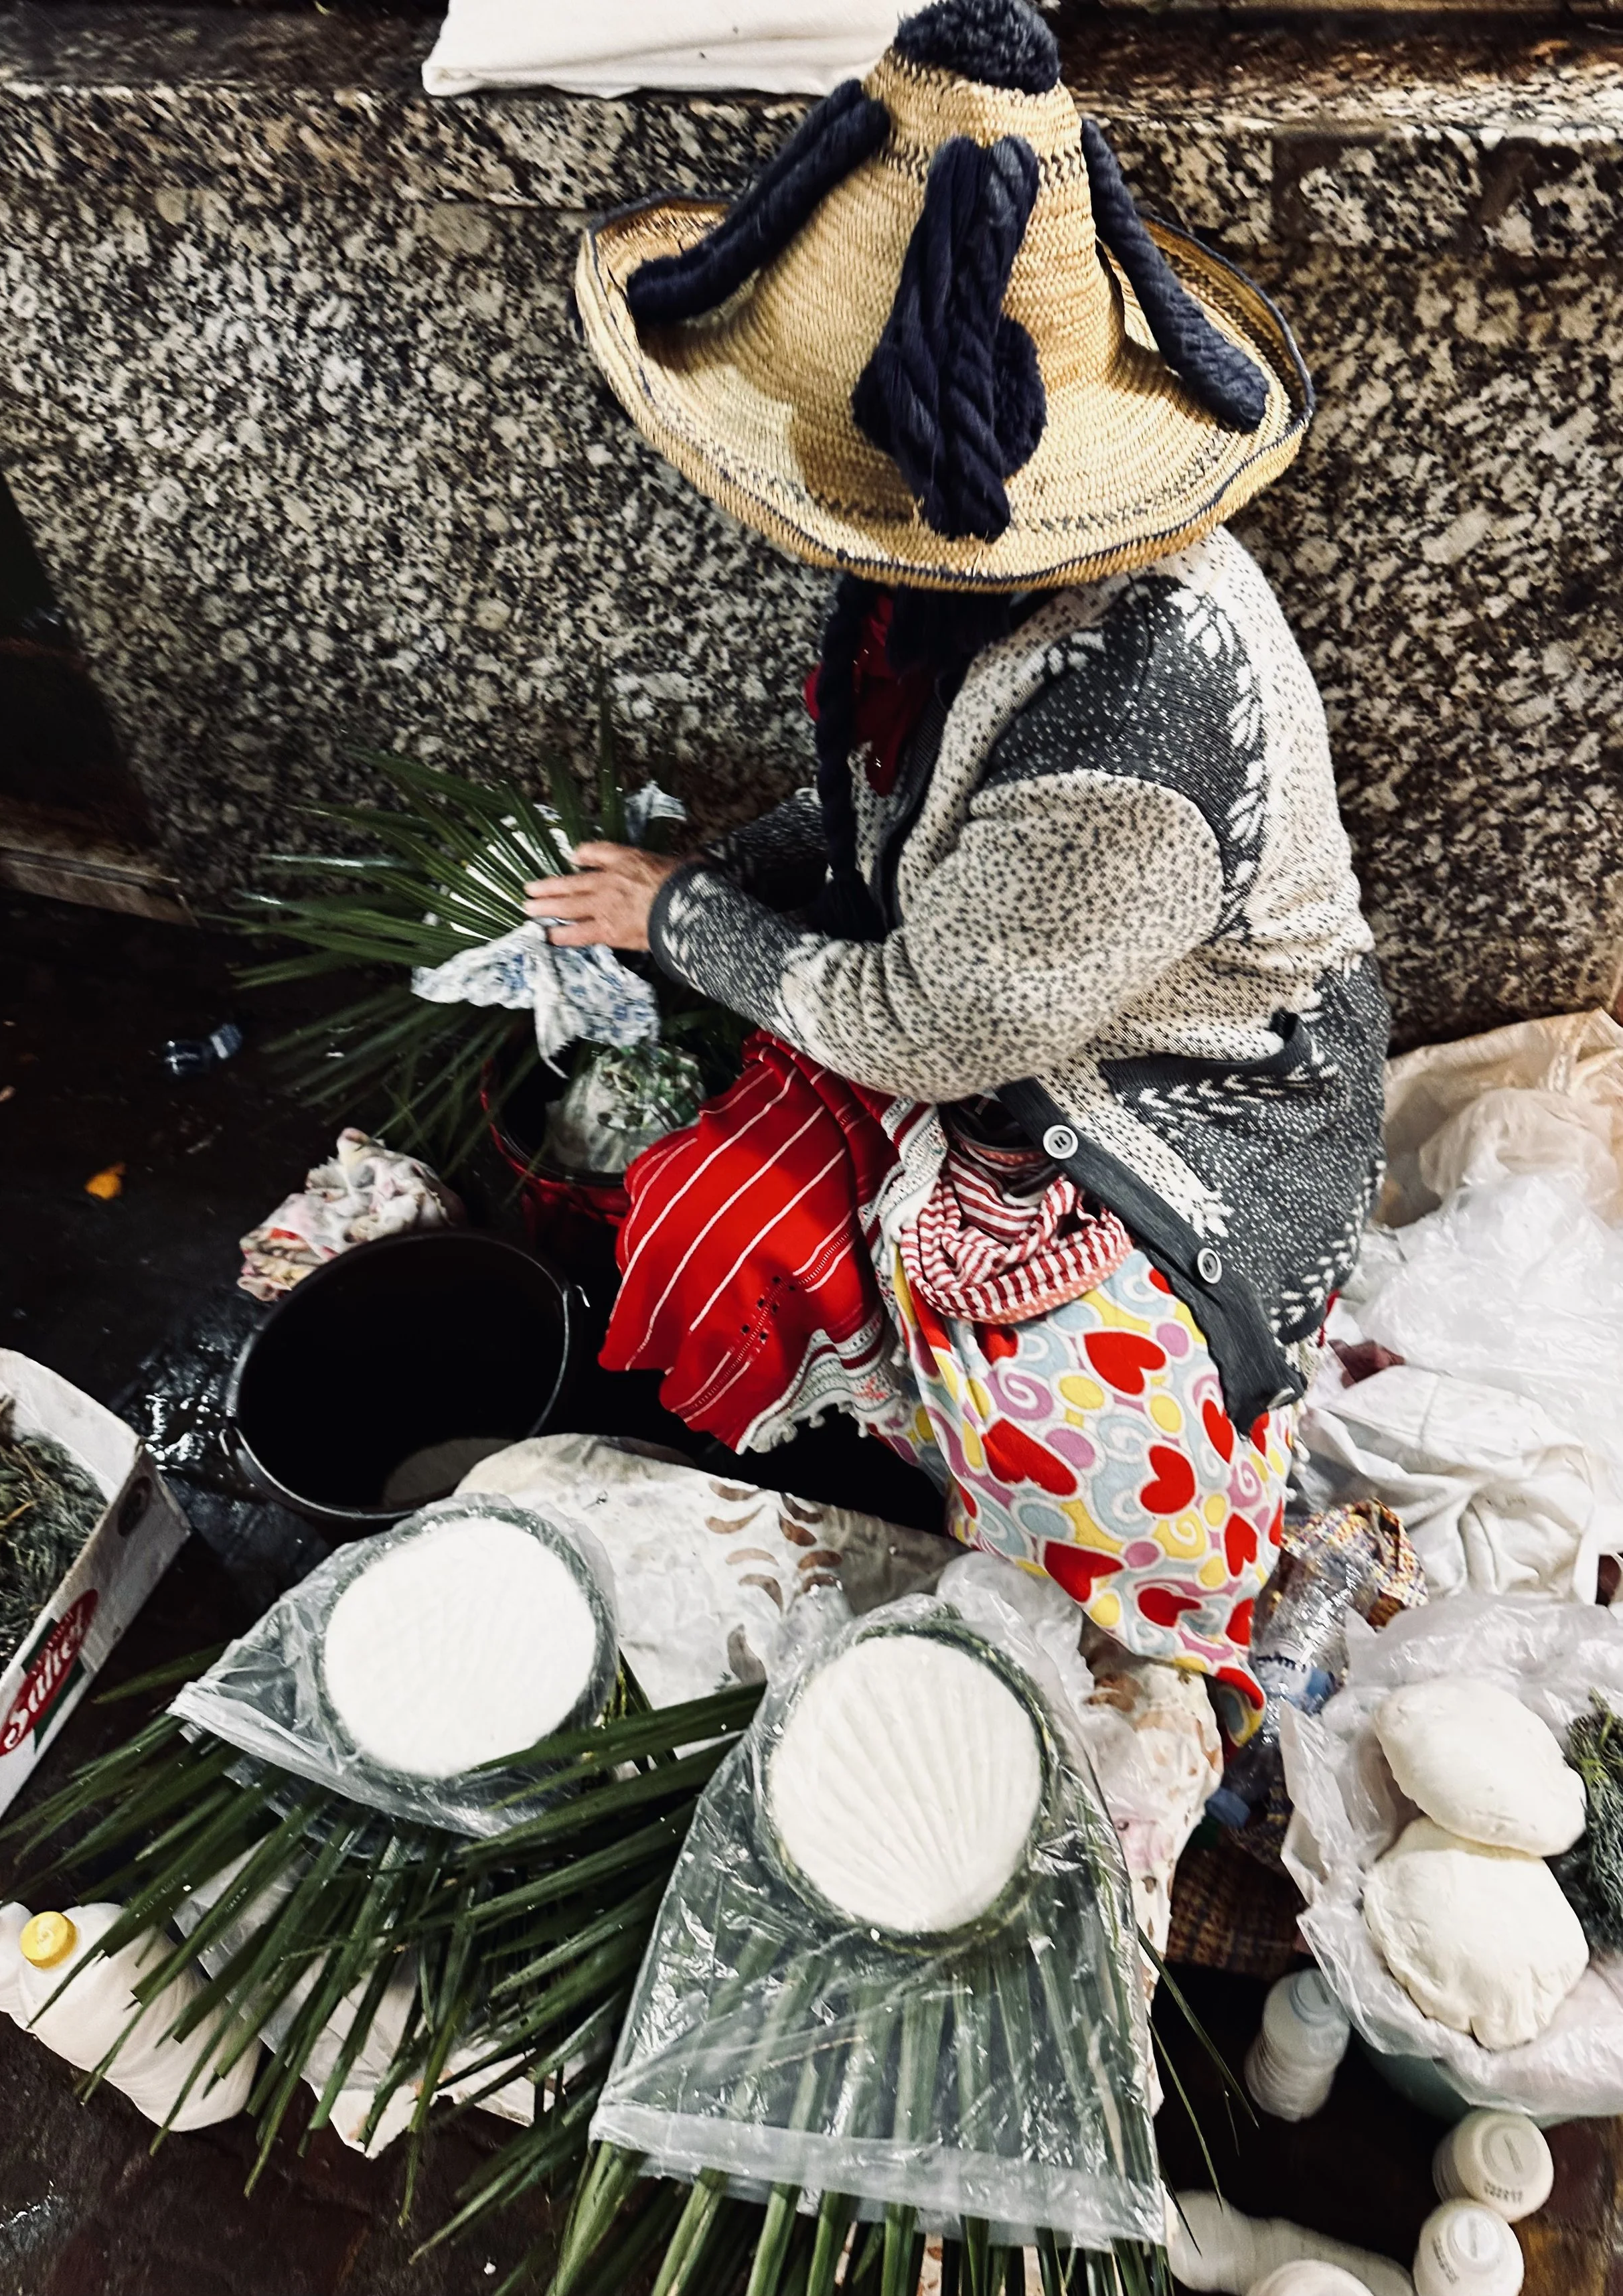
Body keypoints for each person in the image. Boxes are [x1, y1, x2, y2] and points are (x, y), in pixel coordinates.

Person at [525, 0, 1387, 1721]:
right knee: (702, 1214)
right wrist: (726, 873)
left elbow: (930, 1026)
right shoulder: (950, 548)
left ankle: (1189, 1622)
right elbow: (883, 811)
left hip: (1189, 1081)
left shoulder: (1124, 718)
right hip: (1002, 975)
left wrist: (684, 913)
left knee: (1049, 1404)